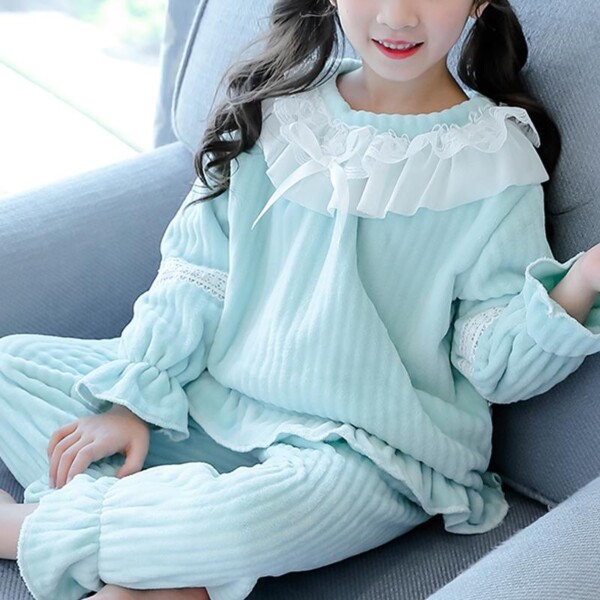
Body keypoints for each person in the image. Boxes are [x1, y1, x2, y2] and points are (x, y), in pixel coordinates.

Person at [1, 0, 600, 599]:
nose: (397, 15)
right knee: (12, 369)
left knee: (243, 522)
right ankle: (171, 569)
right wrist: (131, 402)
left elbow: (493, 362)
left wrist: (583, 282)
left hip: (365, 453)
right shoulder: (276, 105)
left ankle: (33, 529)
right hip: (216, 401)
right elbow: (195, 275)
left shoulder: (495, 156)